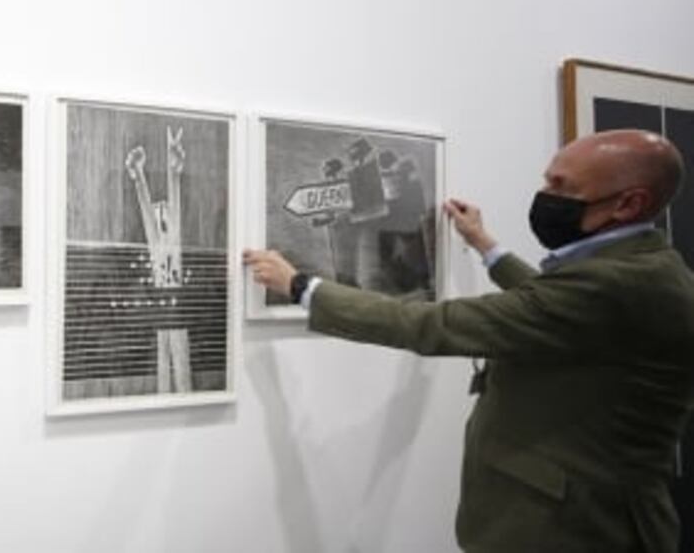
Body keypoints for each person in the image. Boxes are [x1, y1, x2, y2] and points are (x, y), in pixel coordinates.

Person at [244, 129, 694, 552]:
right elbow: (555, 309)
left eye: (562, 187)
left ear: (628, 203)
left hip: (576, 530)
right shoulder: (641, 269)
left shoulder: (622, 284)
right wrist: (485, 245)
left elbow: (434, 324)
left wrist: (303, 287)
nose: (545, 195)